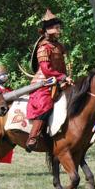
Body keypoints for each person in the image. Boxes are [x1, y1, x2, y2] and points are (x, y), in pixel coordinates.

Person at [25, 9, 71, 151]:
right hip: (43, 83)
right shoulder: (43, 47)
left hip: (58, 81)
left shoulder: (59, 46)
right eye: (56, 28)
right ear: (48, 29)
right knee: (45, 104)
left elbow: (64, 65)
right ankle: (33, 137)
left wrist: (67, 78)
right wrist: (62, 77)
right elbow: (46, 70)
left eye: (58, 27)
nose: (59, 30)